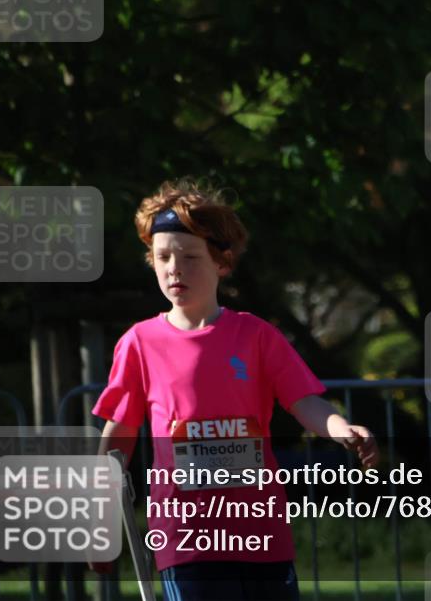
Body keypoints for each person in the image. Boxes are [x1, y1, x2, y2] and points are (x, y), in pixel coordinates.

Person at [91, 179, 379, 600]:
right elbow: (119, 434)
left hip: (260, 535)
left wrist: (339, 428)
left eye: (189, 258)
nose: (175, 269)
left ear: (222, 263)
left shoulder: (257, 335)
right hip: (185, 540)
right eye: (163, 257)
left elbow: (304, 401)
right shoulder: (139, 342)